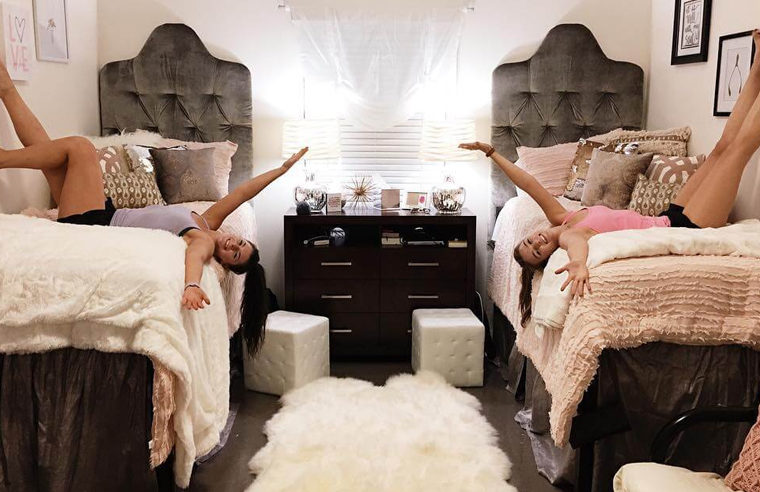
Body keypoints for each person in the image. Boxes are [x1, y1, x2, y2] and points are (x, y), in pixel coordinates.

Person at [0, 62, 307, 354]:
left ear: (224, 264)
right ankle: (7, 89)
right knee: (50, 157)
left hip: (94, 225)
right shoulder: (207, 220)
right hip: (105, 212)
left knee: (79, 148)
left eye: (234, 254)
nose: (233, 244)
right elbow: (240, 194)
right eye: (240, 242)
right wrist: (281, 170)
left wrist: (191, 285)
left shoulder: (201, 240)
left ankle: (2, 157)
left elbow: (194, 258)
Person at [461, 29, 760, 326]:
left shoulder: (562, 217)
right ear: (548, 255)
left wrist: (492, 153)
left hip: (669, 217)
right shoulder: (567, 236)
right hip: (688, 228)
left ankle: (757, 65)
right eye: (538, 252)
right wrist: (578, 265)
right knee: (739, 151)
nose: (537, 241)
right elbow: (577, 247)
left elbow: (530, 184)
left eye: (529, 241)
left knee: (721, 149)